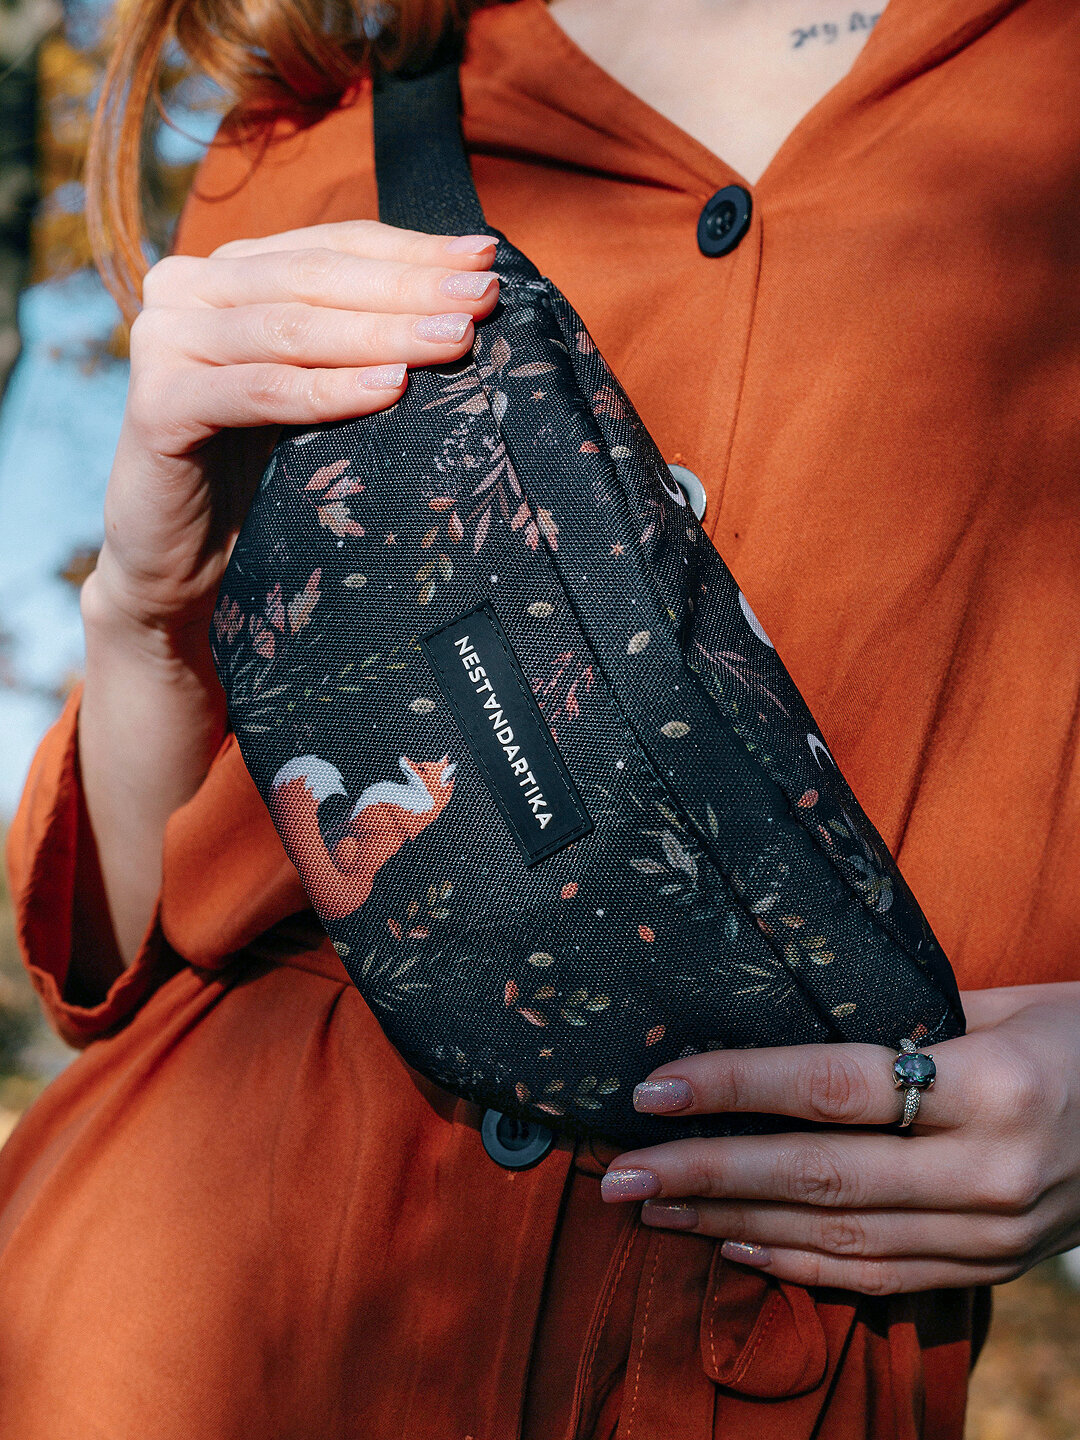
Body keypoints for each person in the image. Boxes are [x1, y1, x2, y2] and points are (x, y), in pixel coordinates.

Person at [2, 0, 1078, 1434]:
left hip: (759, 1345)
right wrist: (144, 607)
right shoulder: (315, 113)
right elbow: (133, 934)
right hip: (173, 1321)